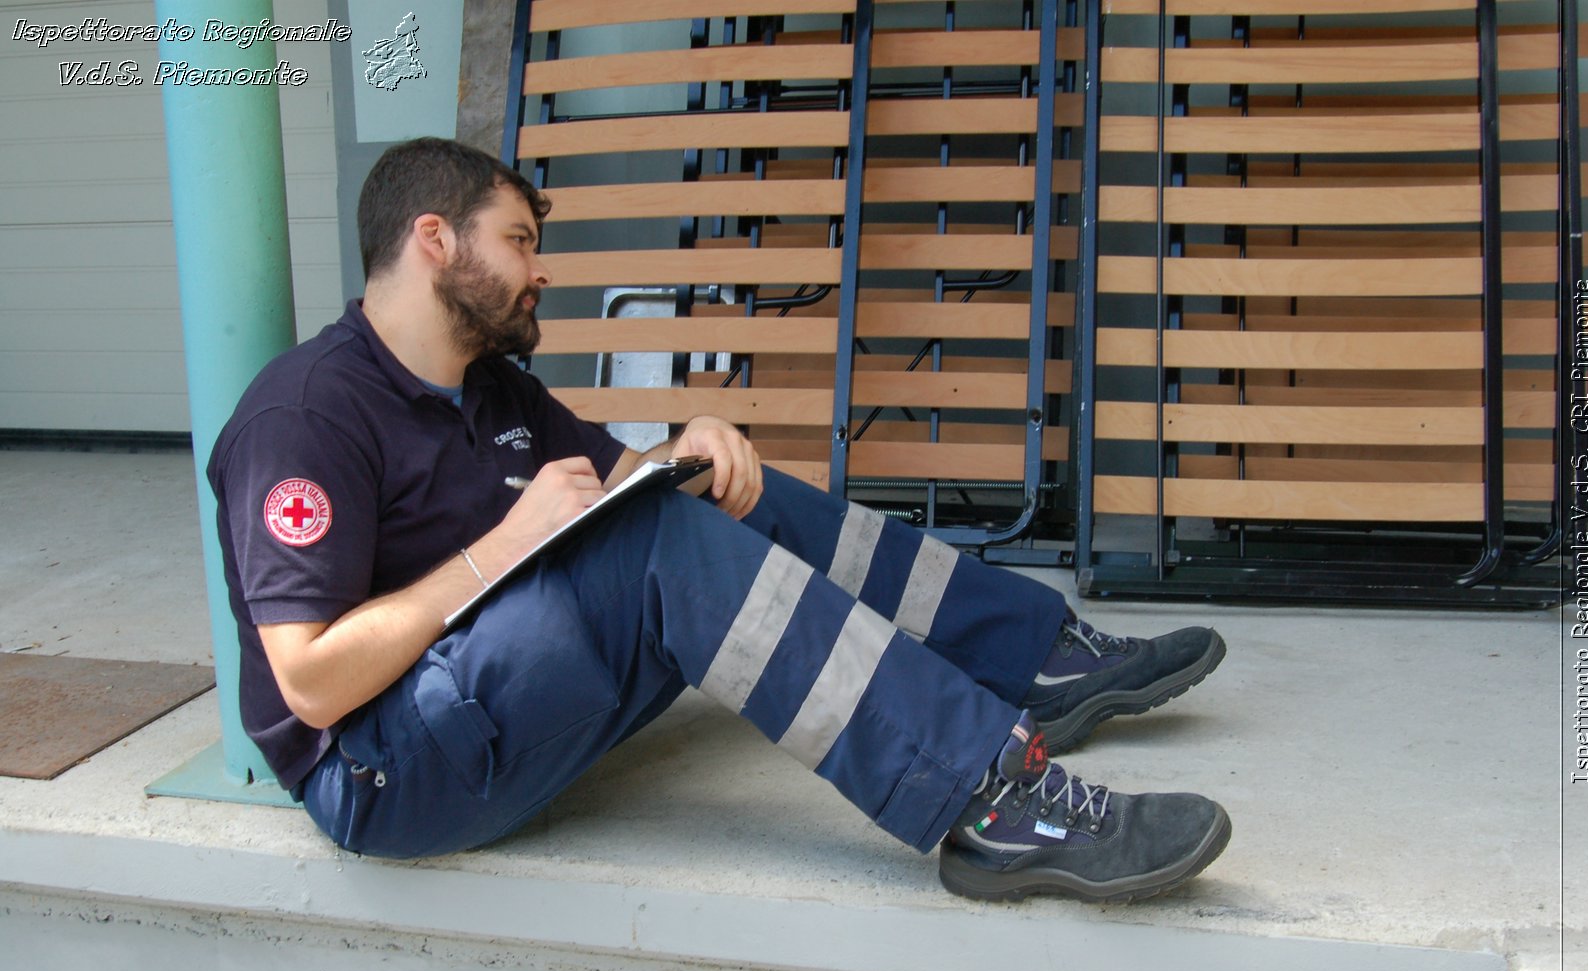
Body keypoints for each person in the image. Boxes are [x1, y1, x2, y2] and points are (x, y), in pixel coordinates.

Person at [208, 137, 1232, 902]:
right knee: (664, 540)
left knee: (721, 488)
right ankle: (987, 799)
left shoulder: (489, 388)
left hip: (484, 692)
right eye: (518, 240)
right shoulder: (304, 417)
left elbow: (625, 488)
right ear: (433, 240)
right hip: (384, 770)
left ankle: (1031, 658)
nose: (540, 267)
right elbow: (311, 678)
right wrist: (498, 549)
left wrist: (690, 444)